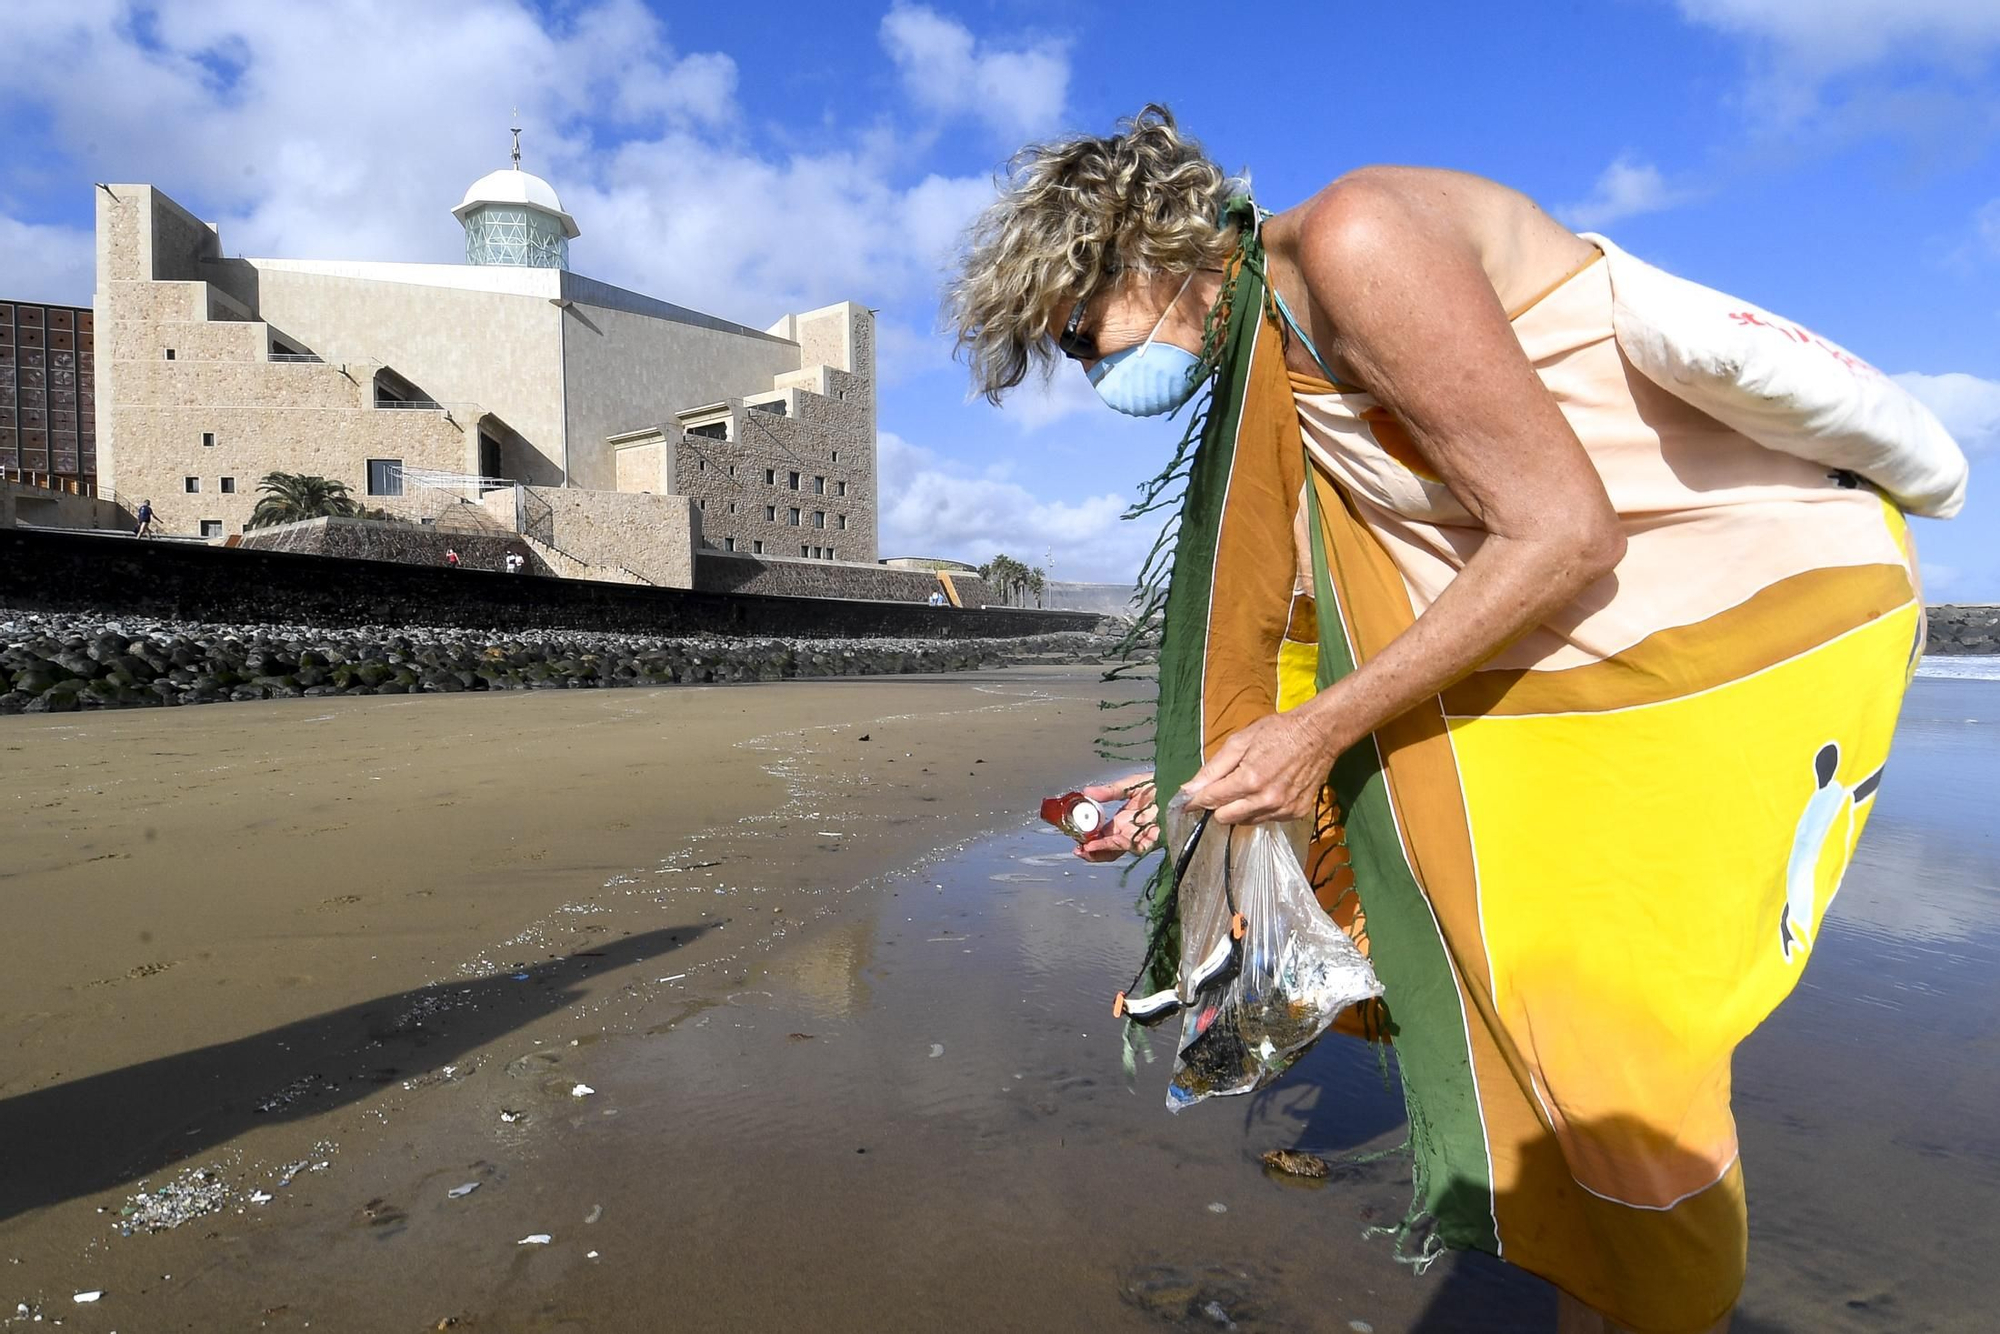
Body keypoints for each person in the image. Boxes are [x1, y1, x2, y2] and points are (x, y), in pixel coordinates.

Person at [946, 107, 1962, 1334]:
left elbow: (1562, 529)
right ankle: (1601, 1292)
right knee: (1497, 985)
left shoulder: (1356, 249)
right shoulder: (1273, 362)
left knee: (1599, 1020)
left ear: (1134, 250)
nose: (1091, 365)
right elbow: (1339, 621)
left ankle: (1661, 1288)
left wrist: (1311, 737)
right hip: (1561, 642)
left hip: (1713, 612)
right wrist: (1181, 790)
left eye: (1078, 331)